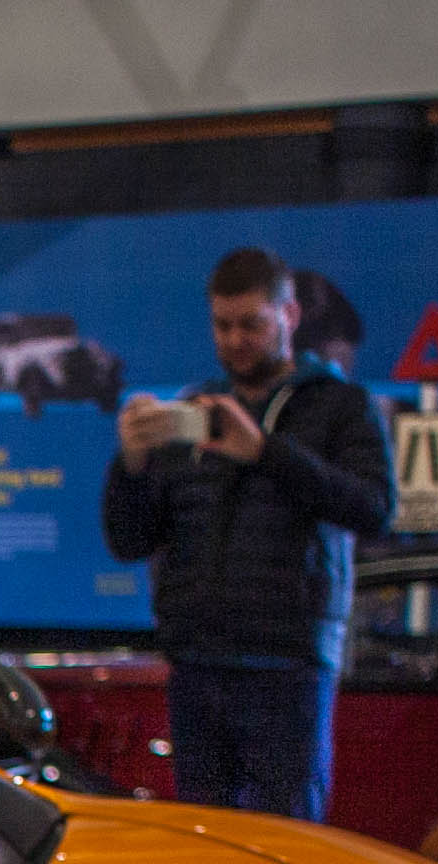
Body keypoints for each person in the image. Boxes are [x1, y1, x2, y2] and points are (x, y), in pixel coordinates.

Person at [101, 246, 393, 820]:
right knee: (204, 837)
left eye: (251, 325)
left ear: (289, 316)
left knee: (287, 837)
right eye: (223, 325)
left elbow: (375, 509)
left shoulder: (340, 406)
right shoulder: (192, 413)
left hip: (288, 664)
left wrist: (263, 451)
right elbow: (129, 541)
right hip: (197, 661)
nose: (235, 340)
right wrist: (130, 465)